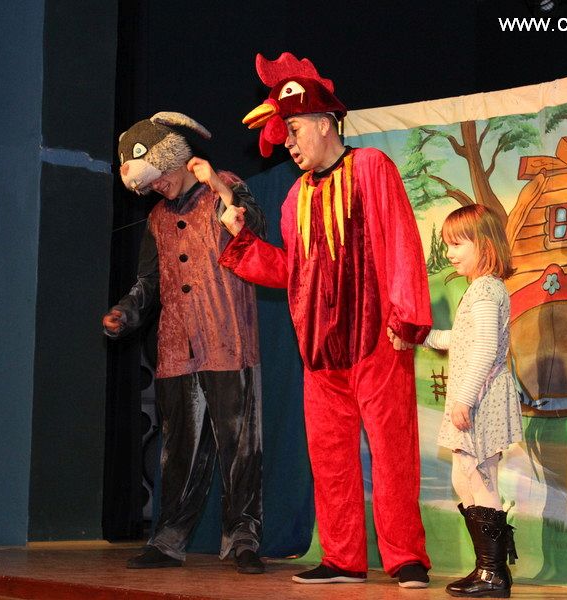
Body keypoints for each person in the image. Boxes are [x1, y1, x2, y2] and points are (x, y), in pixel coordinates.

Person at [218, 53, 431, 588]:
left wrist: (407, 318)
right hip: (319, 352)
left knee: (393, 453)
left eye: (292, 131)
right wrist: (242, 241)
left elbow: (401, 241)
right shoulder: (295, 197)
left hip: (377, 340)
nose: (289, 145)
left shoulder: (372, 167)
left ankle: (406, 557)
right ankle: (342, 559)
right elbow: (293, 271)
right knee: (330, 459)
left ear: (323, 122)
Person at [103, 111, 267, 575]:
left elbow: (255, 229)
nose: (156, 187)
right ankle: (169, 541)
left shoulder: (224, 187)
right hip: (177, 348)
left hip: (229, 339)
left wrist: (219, 187)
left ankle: (243, 540)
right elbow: (148, 282)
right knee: (179, 451)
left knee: (240, 447)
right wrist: (125, 313)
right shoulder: (157, 218)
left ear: (175, 158)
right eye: (148, 184)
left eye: (158, 176)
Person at [407, 203, 522, 598]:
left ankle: (494, 573)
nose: (450, 253)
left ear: (484, 244)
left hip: (481, 399)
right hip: (476, 397)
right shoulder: (480, 289)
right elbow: (462, 339)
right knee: (464, 476)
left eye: (458, 244)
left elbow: (486, 347)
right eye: (447, 244)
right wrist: (420, 335)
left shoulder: (486, 289)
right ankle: (487, 567)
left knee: (478, 476)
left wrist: (465, 399)